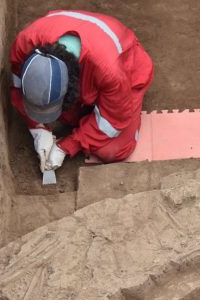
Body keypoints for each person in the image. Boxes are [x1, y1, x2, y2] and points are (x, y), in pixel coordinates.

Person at [10, 10, 154, 177]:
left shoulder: (109, 72)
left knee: (112, 150)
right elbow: (19, 87)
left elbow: (112, 120)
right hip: (88, 41)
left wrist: (68, 146)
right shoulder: (25, 44)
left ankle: (132, 111)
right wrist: (38, 128)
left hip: (128, 70)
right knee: (69, 118)